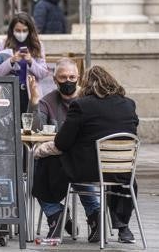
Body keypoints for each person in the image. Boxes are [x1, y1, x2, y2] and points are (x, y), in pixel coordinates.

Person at [32, 66, 139, 244]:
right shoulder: (129, 104)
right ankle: (120, 226)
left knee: (44, 162)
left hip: (87, 170)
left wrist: (41, 150)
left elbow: (62, 143)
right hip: (122, 170)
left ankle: (55, 214)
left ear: (85, 84)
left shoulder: (81, 105)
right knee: (75, 163)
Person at [27, 59, 101, 240]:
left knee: (75, 165)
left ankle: (94, 216)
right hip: (55, 159)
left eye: (72, 77)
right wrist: (34, 102)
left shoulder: (88, 101)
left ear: (79, 78)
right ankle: (56, 214)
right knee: (33, 167)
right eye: (63, 77)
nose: (68, 81)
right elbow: (35, 130)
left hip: (83, 159)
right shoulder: (47, 102)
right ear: (55, 79)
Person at [0, 12, 49, 115]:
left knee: (29, 125)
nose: (21, 33)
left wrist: (31, 61)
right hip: (9, 92)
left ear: (29, 30)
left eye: (24, 30)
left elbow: (43, 73)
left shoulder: (37, 45)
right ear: (12, 30)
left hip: (30, 93)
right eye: (18, 30)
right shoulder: (2, 44)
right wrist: (11, 61)